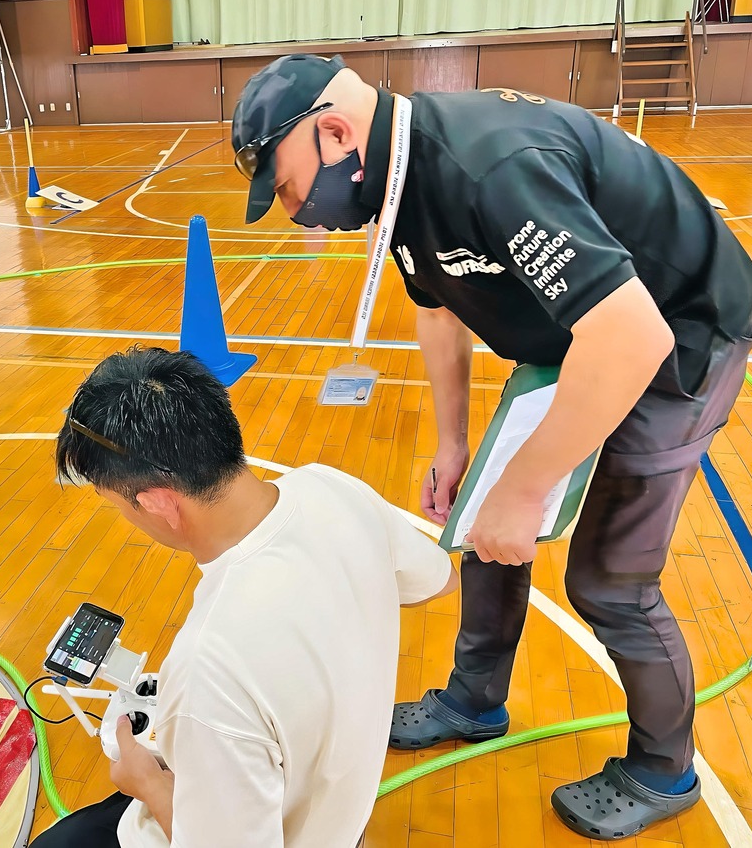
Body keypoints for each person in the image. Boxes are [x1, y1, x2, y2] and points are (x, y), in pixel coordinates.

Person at [230, 53, 752, 840]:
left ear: (336, 133)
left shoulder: (491, 168)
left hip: (677, 336)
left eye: (284, 185)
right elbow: (438, 310)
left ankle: (663, 768)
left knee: (610, 582)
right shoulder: (398, 174)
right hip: (578, 335)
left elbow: (629, 337)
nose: (290, 209)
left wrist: (523, 491)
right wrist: (455, 446)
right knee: (485, 528)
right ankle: (474, 700)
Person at [33, 347, 456, 848]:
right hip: (342, 810)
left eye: (117, 504)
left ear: (157, 502)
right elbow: (439, 579)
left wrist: (144, 782)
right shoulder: (329, 485)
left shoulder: (208, 668)